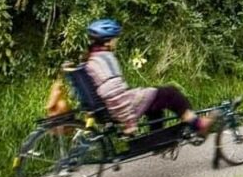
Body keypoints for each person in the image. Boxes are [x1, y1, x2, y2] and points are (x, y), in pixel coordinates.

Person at [81, 18, 211, 137]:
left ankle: (157, 138)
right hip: (122, 108)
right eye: (115, 39)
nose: (117, 41)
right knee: (171, 93)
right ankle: (198, 124)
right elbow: (112, 93)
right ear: (107, 41)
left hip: (113, 107)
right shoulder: (105, 59)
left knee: (154, 97)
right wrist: (129, 121)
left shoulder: (93, 59)